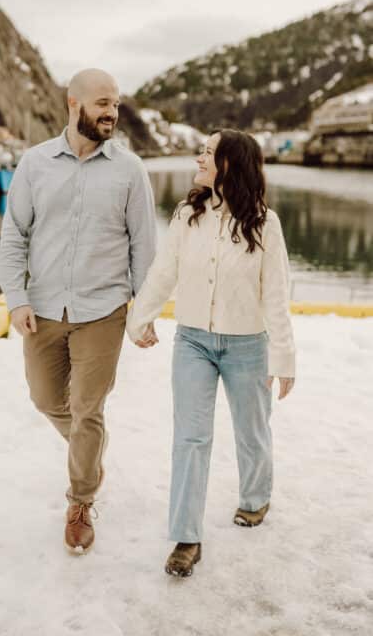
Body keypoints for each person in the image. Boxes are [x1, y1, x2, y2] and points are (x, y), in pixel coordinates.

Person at [0, 68, 156, 554]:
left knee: (88, 408)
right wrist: (16, 298)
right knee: (47, 399)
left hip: (103, 310)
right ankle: (91, 450)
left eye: (116, 104)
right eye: (102, 102)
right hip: (42, 309)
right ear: (74, 104)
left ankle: (81, 500)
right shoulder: (34, 163)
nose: (111, 112)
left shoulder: (130, 170)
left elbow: (144, 248)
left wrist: (141, 312)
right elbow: (14, 236)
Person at [126, 129, 296, 578]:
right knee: (190, 438)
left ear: (229, 165)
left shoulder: (265, 223)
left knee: (252, 431)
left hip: (247, 345)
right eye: (200, 150)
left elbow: (276, 295)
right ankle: (186, 538)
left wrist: (284, 357)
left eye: (207, 152)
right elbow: (165, 271)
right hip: (193, 342)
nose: (198, 158)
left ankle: (256, 498)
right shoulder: (187, 215)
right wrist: (139, 317)